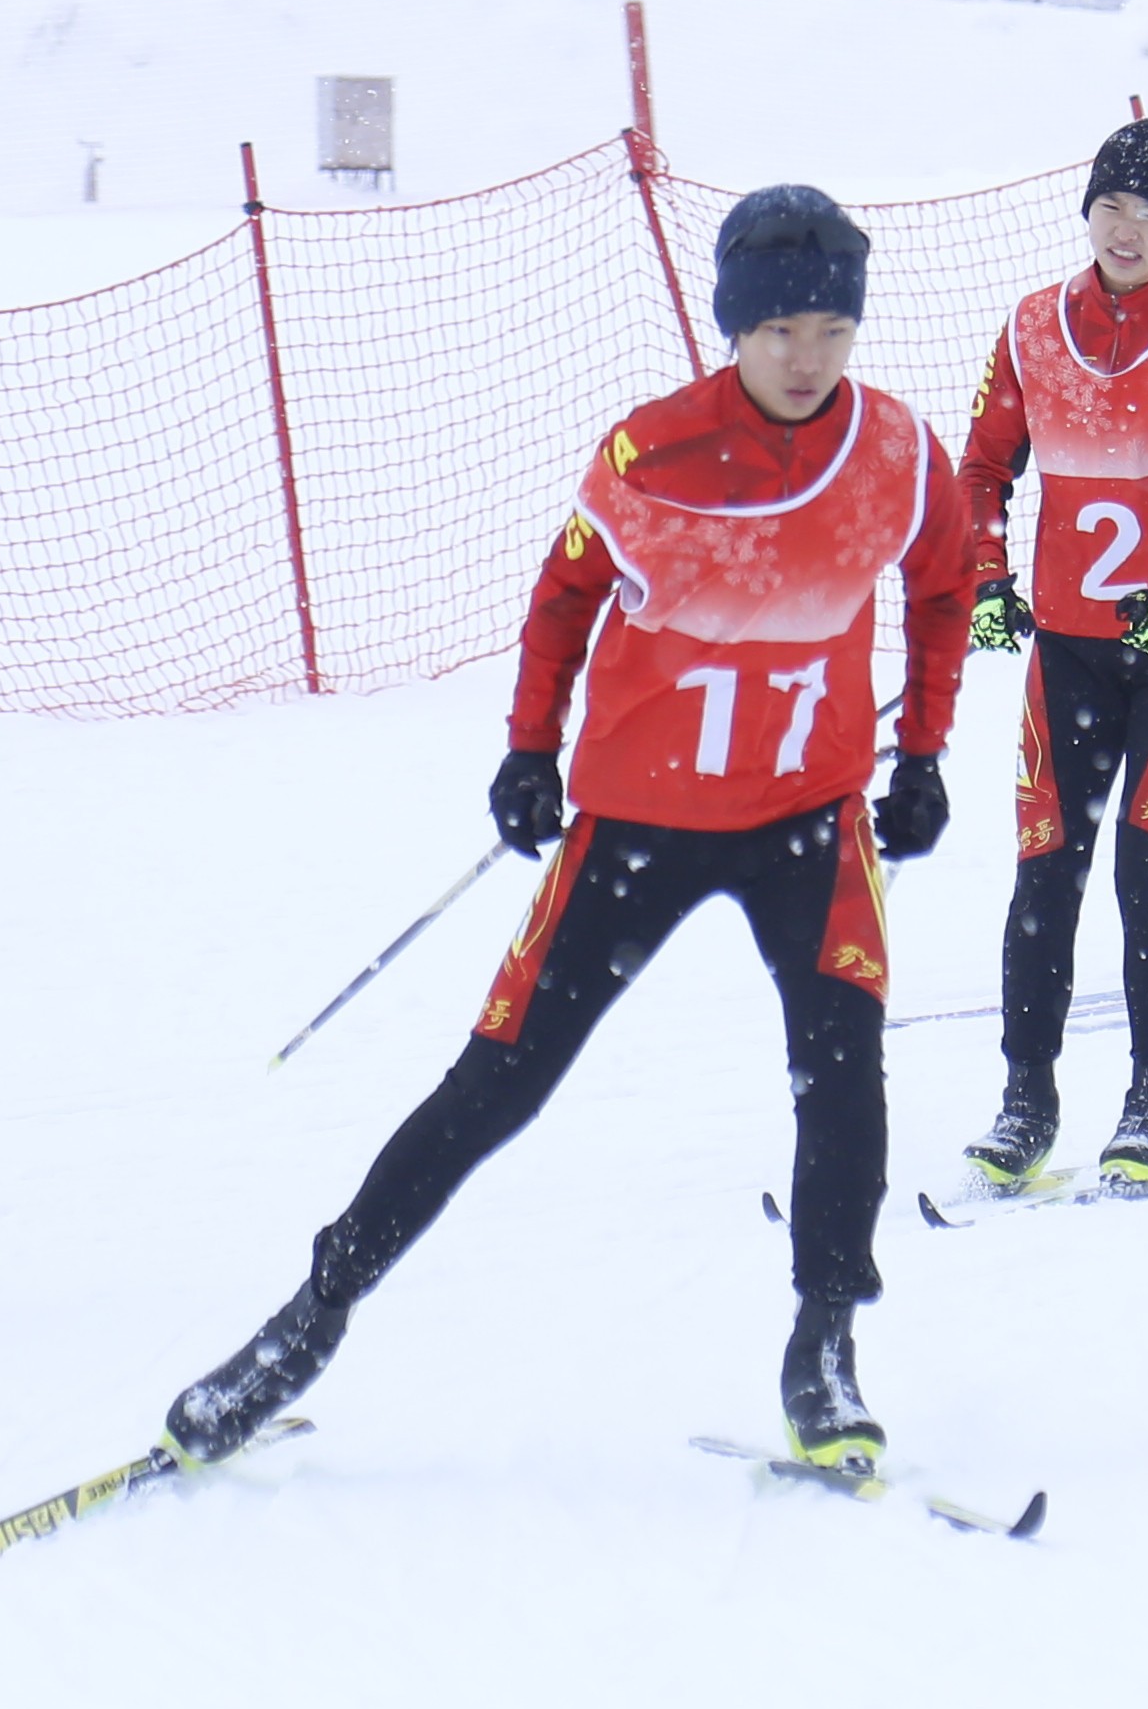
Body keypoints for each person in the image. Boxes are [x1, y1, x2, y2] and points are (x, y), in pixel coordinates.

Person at [163, 186, 966, 1475]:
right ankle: (304, 1324)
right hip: (640, 823)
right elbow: (566, 595)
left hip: (809, 819)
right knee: (499, 1085)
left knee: (844, 1072)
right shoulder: (655, 455)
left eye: (831, 328)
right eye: (780, 333)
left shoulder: (897, 453)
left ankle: (824, 1344)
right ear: (733, 330)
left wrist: (921, 751)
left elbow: (945, 584)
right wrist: (529, 748)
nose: (808, 358)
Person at [952, 117, 1148, 1194]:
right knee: (1046, 875)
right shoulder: (1035, 326)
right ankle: (1026, 1098)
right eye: (1111, 206)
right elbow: (983, 469)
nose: (1127, 229)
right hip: (1074, 650)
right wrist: (989, 577)